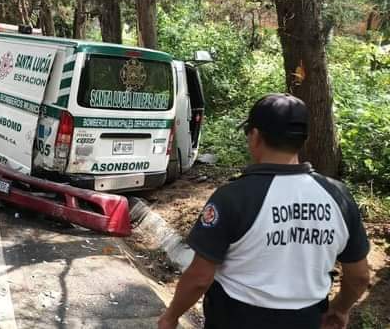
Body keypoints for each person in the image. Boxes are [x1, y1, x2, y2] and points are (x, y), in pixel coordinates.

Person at [158, 93, 371, 329]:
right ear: (304, 139)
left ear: (255, 136)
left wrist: (171, 317)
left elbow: (199, 278)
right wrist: (340, 309)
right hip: (306, 320)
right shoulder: (337, 196)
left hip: (236, 319)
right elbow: (360, 276)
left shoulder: (234, 197)